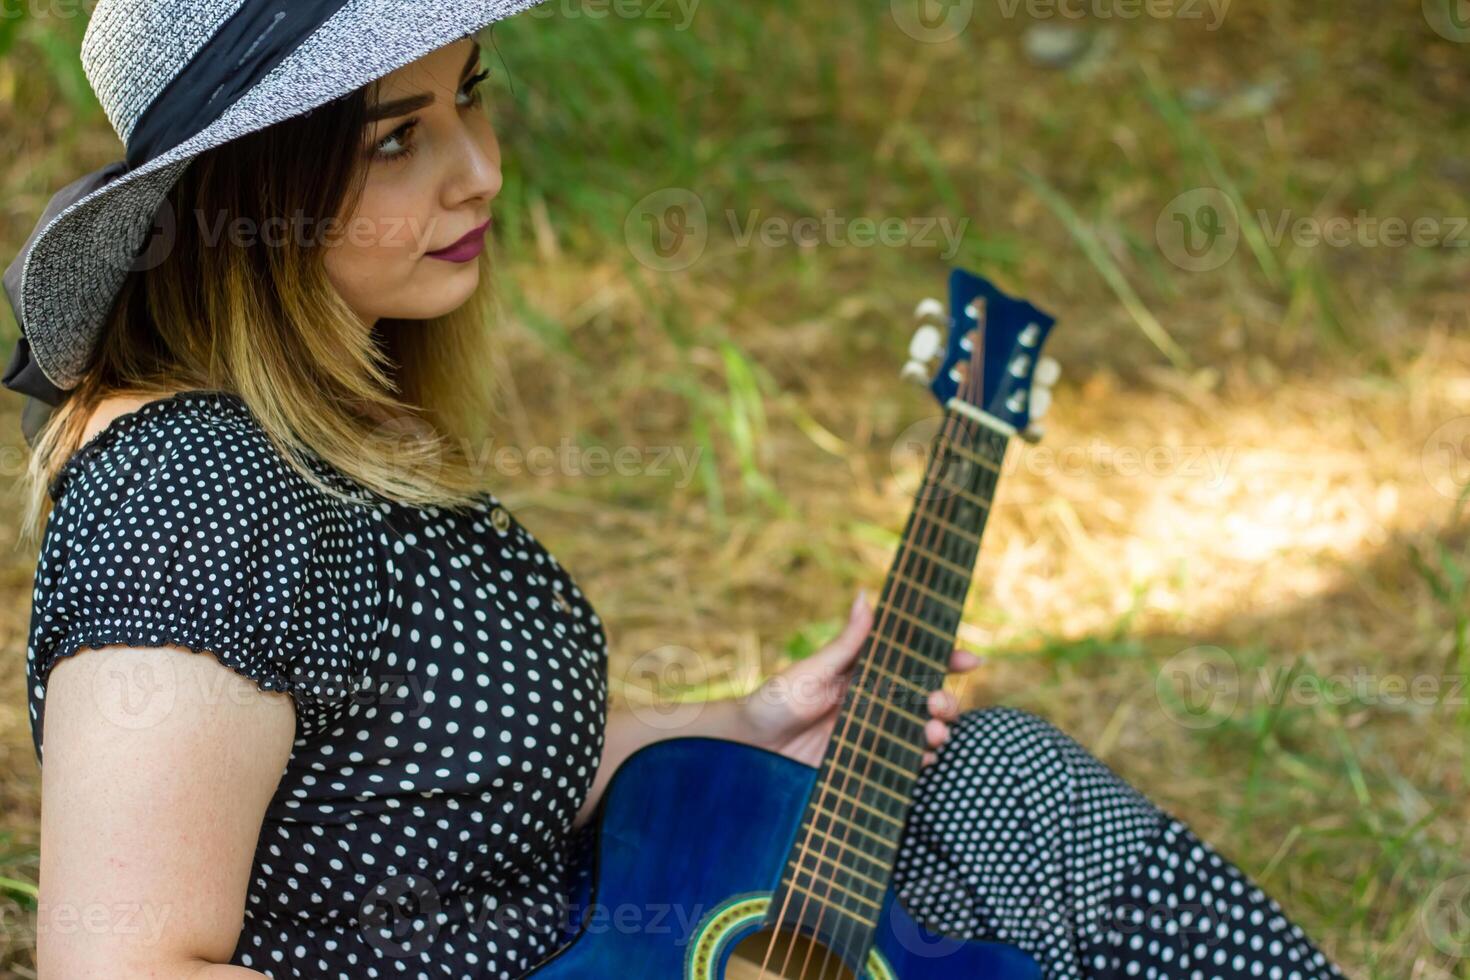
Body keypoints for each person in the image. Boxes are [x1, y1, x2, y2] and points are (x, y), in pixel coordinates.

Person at [4, 3, 1349, 978]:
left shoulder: (320, 429)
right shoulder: (186, 494)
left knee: (997, 779)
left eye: (471, 93)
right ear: (254, 195)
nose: (477, 166)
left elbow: (419, 779)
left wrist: (747, 721)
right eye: (394, 139)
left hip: (607, 927)